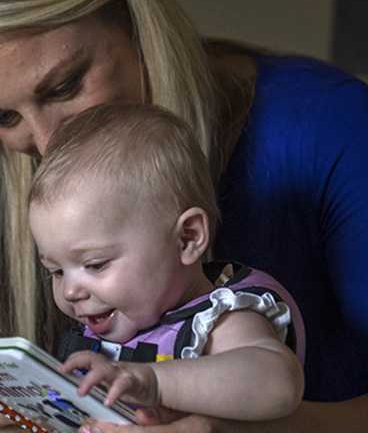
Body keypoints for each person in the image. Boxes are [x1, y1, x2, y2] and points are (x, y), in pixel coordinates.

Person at [0, 0, 368, 431]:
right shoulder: (44, 234)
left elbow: (273, 384)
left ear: (136, 24)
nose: (47, 145)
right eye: (3, 118)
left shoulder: (332, 130)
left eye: (64, 86)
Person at [28, 104, 305, 422]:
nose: (71, 290)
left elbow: (279, 385)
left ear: (187, 239)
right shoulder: (107, 331)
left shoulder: (222, 320)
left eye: (96, 264)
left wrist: (156, 382)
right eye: (57, 271)